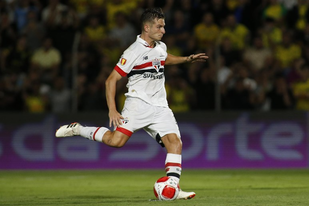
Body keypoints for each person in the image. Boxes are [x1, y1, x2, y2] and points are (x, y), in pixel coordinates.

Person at [55, 8, 208, 200]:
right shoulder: (133, 51)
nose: (163, 30)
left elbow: (163, 59)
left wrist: (187, 59)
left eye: (164, 26)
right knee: (115, 141)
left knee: (175, 143)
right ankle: (78, 129)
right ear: (147, 27)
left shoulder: (160, 46)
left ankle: (172, 187)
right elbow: (111, 80)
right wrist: (112, 109)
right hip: (137, 105)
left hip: (160, 106)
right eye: (159, 27)